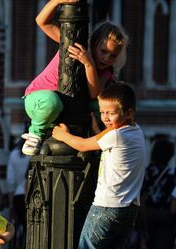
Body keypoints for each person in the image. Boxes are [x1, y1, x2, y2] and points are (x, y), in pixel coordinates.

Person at [52, 82, 145, 249]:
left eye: (111, 113)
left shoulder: (116, 135)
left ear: (129, 113)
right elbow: (102, 139)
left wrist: (62, 136)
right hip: (129, 210)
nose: (105, 117)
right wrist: (99, 126)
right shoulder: (136, 133)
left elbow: (82, 145)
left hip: (106, 206)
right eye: (103, 112)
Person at [21, 0, 129, 155]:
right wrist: (58, 1)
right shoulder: (73, 45)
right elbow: (42, 21)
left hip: (66, 107)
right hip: (40, 98)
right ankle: (35, 133)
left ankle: (101, 139)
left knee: (103, 105)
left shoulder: (106, 72)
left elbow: (95, 94)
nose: (106, 58)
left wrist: (89, 64)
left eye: (113, 56)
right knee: (51, 102)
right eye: (103, 51)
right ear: (93, 44)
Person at [140, 140, 176, 249]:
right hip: (166, 215)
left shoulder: (146, 171)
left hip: (149, 213)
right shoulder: (175, 173)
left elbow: (142, 196)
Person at [5, 136, 31, 249]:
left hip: (17, 196)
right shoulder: (34, 152)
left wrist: (11, 204)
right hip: (28, 196)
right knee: (30, 238)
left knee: (25, 236)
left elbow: (10, 180)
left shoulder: (15, 154)